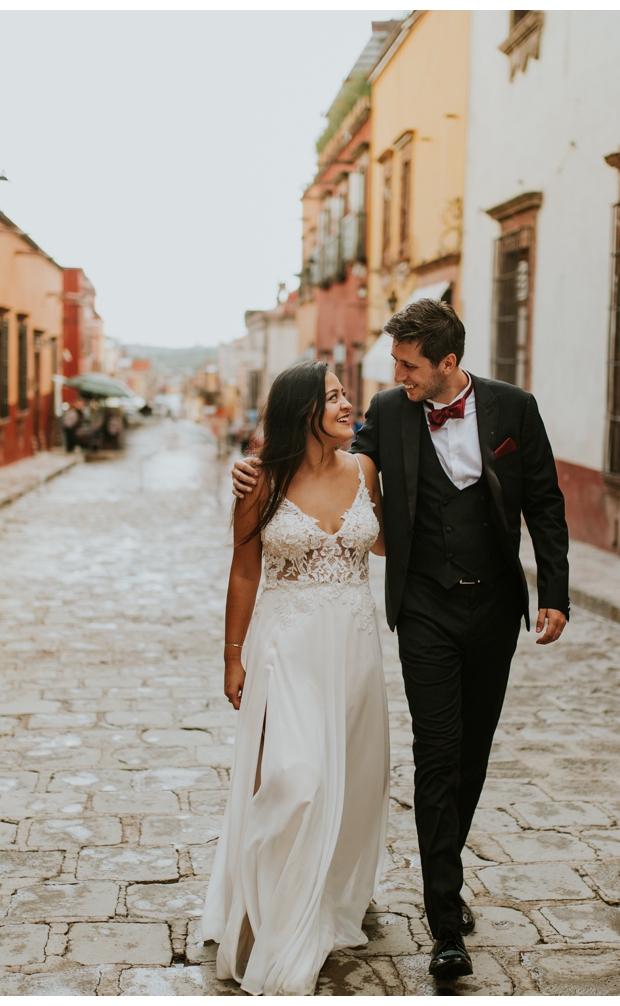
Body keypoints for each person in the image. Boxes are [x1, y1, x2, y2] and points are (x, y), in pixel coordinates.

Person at [232, 299, 569, 980]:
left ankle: (446, 867)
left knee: (471, 754)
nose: (395, 374)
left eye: (409, 363)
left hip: (497, 607)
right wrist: (255, 469)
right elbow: (323, 469)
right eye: (395, 362)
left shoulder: (515, 409)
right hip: (423, 612)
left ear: (448, 363)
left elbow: (545, 500)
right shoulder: (387, 413)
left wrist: (555, 592)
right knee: (437, 755)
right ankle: (445, 918)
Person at [202, 361, 390, 996]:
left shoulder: (365, 471)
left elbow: (392, 542)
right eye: (333, 395)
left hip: (355, 648)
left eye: (344, 393)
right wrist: (233, 656)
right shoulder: (261, 482)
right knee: (295, 780)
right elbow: (244, 573)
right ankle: (273, 910)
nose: (347, 403)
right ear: (301, 412)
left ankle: (330, 895)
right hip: (290, 647)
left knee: (357, 784)